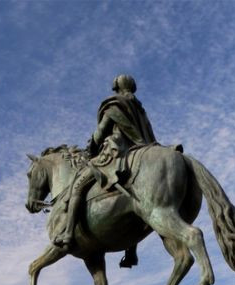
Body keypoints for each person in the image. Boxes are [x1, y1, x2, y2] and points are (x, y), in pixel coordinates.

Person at [53, 75, 157, 265]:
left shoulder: (113, 105)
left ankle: (67, 234)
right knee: (135, 200)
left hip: (115, 151)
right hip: (139, 151)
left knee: (76, 186)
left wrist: (92, 144)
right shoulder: (140, 109)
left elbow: (101, 132)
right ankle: (131, 252)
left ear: (116, 87)